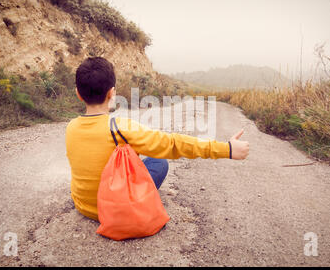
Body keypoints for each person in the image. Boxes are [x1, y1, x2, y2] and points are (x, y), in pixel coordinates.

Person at [65, 57, 249, 220]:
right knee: (159, 161)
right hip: (116, 208)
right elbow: (173, 144)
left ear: (78, 93)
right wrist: (227, 149)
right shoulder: (121, 127)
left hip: (85, 208)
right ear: (111, 93)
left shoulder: (71, 127)